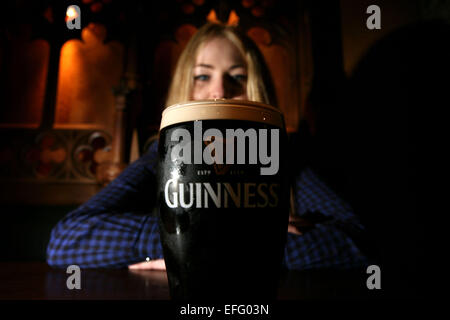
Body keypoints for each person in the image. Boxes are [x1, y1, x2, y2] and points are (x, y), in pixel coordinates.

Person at [46, 22, 368, 271]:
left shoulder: (288, 156)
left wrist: (196, 245)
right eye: (202, 77)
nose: (219, 92)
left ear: (259, 90)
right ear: (183, 89)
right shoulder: (160, 156)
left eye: (238, 77)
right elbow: (67, 240)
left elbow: (357, 243)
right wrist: (241, 238)